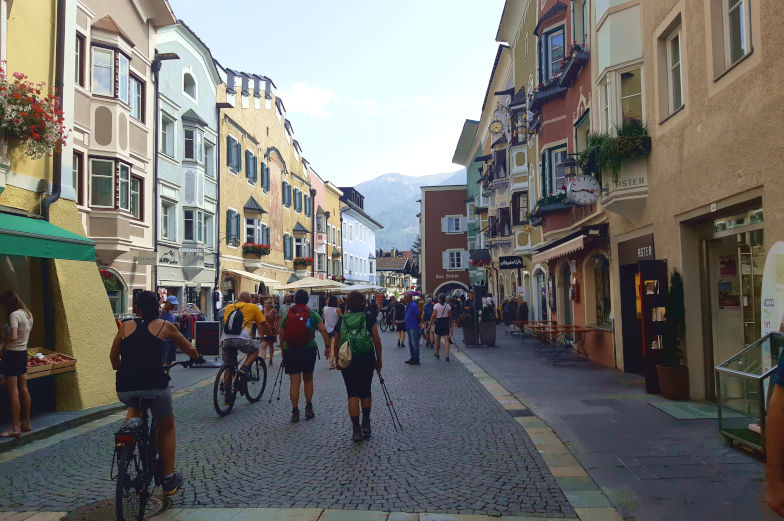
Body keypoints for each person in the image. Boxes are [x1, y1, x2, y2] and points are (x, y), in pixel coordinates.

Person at [110, 291, 201, 495]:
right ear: (157, 307)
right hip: (155, 385)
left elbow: (113, 357)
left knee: (135, 405)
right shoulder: (164, 326)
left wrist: (121, 368)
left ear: (137, 309)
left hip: (126, 386)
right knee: (166, 428)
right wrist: (196, 356)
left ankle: (128, 439)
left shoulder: (125, 327)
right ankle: (169, 479)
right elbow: (187, 347)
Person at [332, 291, 383, 442]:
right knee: (365, 391)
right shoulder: (368, 317)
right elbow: (377, 340)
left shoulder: (342, 320)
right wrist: (378, 359)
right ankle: (366, 423)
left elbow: (336, 341)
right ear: (363, 303)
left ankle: (356, 430)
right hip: (366, 357)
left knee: (352, 393)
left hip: (347, 359)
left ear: (347, 304)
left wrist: (337, 360)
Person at [279, 289, 330, 423]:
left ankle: (295, 411)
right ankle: (308, 407)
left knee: (294, 383)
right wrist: (328, 347)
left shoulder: (287, 313)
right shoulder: (312, 314)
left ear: (295, 300)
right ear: (307, 300)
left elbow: (282, 330)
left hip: (291, 350)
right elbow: (323, 330)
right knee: (308, 380)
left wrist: (283, 348)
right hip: (308, 349)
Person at [0, 292, 33, 437]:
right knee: (24, 388)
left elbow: (13, 337)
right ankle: (25, 422)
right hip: (22, 353)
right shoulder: (27, 314)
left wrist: (3, 336)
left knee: (13, 391)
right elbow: (22, 336)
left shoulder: (14, 315)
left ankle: (15, 428)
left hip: (12, 355)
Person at [221, 291, 264, 378]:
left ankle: (226, 389)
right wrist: (270, 334)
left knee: (229, 366)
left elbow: (225, 322)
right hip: (242, 339)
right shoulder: (253, 307)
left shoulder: (228, 307)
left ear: (238, 299)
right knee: (255, 350)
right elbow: (263, 323)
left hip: (226, 339)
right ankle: (244, 369)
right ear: (249, 300)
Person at [429, 293, 453, 361]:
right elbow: (450, 316)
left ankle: (437, 353)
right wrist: (451, 324)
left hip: (439, 322)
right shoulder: (448, 306)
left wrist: (430, 324)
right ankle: (447, 356)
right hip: (445, 322)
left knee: (438, 339)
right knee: (446, 340)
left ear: (439, 299)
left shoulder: (436, 305)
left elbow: (433, 315)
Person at [322, 295, 342, 369]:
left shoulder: (324, 308)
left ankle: (332, 362)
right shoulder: (337, 310)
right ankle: (331, 363)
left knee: (330, 347)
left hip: (326, 330)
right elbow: (341, 319)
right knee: (334, 347)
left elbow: (323, 317)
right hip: (335, 331)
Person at [160, 295, 178, 369]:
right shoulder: (160, 313)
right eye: (171, 305)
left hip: (172, 340)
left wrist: (175, 325)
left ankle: (166, 377)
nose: (173, 307)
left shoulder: (171, 313)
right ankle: (161, 377)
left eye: (174, 305)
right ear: (166, 303)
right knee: (162, 361)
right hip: (165, 340)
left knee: (169, 361)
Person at [259, 298, 279, 367]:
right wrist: (259, 330)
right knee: (263, 346)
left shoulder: (274, 311)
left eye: (268, 303)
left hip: (271, 330)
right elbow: (259, 321)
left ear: (270, 304)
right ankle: (262, 360)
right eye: (265, 303)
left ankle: (270, 359)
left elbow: (276, 321)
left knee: (271, 346)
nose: (266, 305)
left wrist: (277, 329)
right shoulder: (262, 311)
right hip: (263, 329)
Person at [403, 293, 421, 365]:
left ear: (409, 298)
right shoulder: (408, 305)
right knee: (410, 343)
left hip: (414, 326)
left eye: (405, 298)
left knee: (415, 343)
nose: (404, 299)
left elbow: (418, 315)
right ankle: (412, 357)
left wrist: (417, 323)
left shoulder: (413, 305)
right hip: (408, 326)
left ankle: (416, 359)